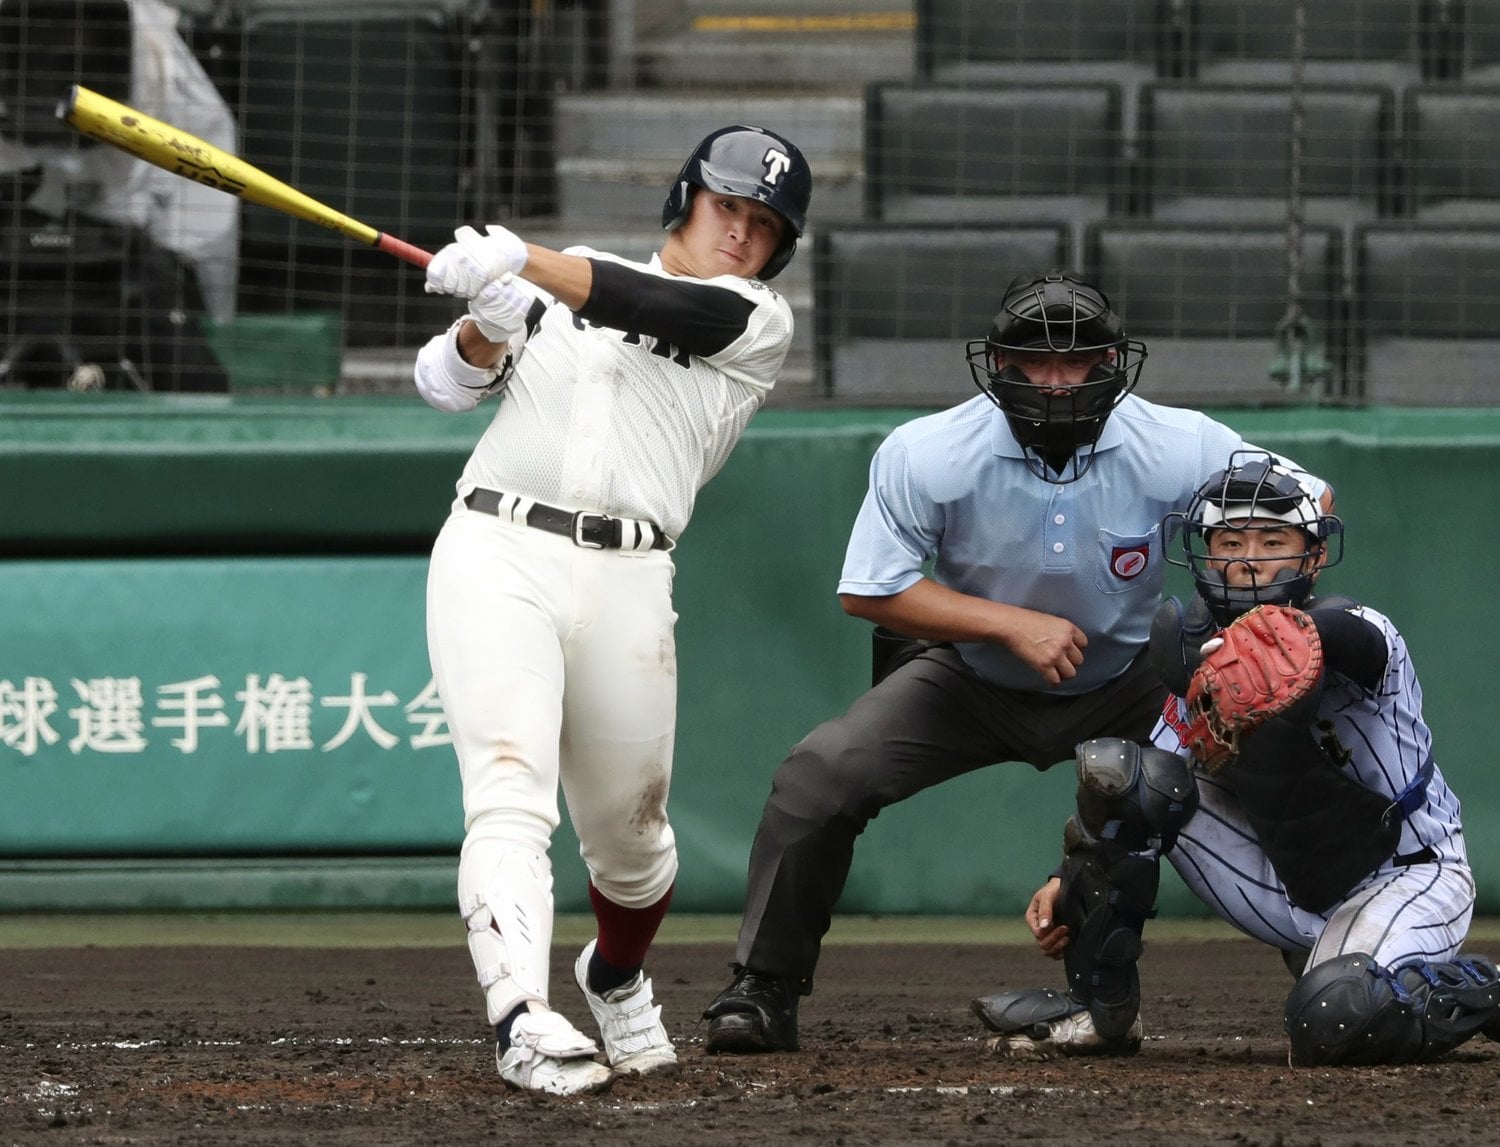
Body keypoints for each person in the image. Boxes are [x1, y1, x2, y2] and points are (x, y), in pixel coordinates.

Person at [701, 270, 1328, 1055]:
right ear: (996, 364)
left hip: (1128, 679)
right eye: (1035, 360)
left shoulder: (1179, 443)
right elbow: (869, 589)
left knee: (1268, 767)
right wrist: (1008, 625)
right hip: (968, 678)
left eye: (1078, 360)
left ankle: (1331, 962)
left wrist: (1225, 625)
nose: (1057, 379)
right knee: (819, 773)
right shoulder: (930, 451)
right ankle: (763, 985)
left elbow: (1309, 501)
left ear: (1113, 362)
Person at [413, 125, 813, 1095]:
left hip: (631, 574)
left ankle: (616, 972)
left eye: (763, 225)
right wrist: (491, 326)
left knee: (633, 845)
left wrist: (528, 263)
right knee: (508, 790)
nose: (741, 234)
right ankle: (520, 1014)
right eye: (728, 207)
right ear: (686, 199)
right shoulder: (562, 278)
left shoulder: (755, 320)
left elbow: (651, 303)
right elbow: (443, 385)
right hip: (497, 548)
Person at [975, 453, 1500, 1065]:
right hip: (1287, 875)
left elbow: (1352, 642)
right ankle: (1100, 1012)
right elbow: (1152, 778)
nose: (1247, 557)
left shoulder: (1359, 628)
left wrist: (1294, 642)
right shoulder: (1197, 651)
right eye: (1229, 539)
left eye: (1272, 539)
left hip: (1407, 872)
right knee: (1125, 776)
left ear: (1314, 555)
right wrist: (1067, 877)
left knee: (1333, 1021)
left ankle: (1477, 986)